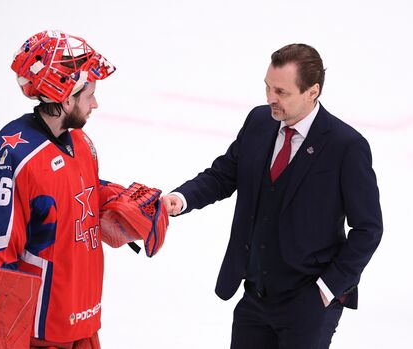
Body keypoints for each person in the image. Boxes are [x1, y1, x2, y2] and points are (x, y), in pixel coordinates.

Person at [0, 29, 166, 349]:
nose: (95, 102)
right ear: (66, 95)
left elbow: (76, 192)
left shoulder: (81, 143)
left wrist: (116, 203)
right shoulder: (15, 156)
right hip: (34, 334)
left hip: (81, 322)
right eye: (89, 93)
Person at [162, 43, 383, 348]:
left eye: (281, 92)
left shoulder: (346, 146)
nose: (270, 99)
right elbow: (224, 174)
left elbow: (368, 229)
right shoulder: (259, 122)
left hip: (308, 303)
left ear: (312, 91)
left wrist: (328, 287)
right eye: (267, 87)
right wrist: (182, 198)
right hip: (255, 296)